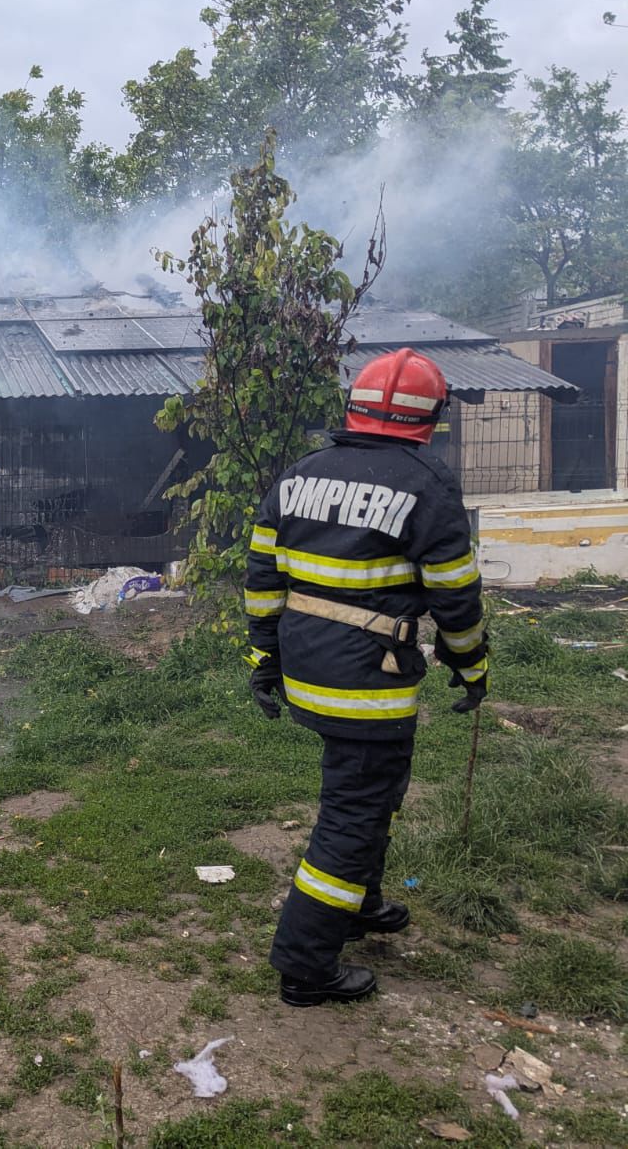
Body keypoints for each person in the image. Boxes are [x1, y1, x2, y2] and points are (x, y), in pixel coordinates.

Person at [245, 349, 486, 1007]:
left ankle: (358, 903)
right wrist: (472, 665)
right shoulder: (427, 485)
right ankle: (305, 965)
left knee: (377, 790)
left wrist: (263, 658)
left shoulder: (300, 475)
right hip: (368, 685)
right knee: (353, 815)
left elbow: (263, 578)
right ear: (430, 418)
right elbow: (456, 595)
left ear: (353, 407)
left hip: (308, 668)